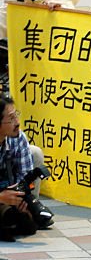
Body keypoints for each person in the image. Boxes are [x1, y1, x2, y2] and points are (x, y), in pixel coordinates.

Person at [0, 95, 51, 242]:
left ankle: (27, 211)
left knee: (35, 152)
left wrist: (21, 198)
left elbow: (25, 176)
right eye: (11, 118)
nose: (17, 122)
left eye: (16, 115)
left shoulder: (17, 137)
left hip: (7, 185)